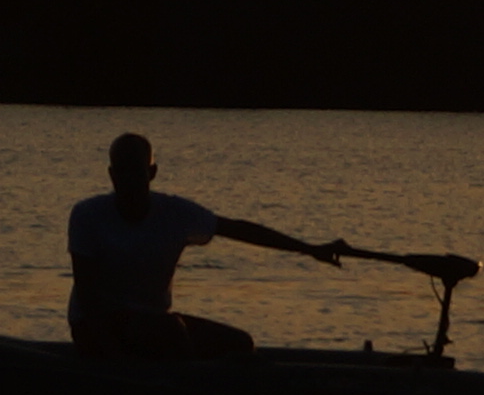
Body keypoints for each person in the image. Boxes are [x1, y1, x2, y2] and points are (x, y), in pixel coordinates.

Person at [66, 131, 344, 357]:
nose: (128, 181)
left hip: (154, 324)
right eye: (121, 172)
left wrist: (311, 249)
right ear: (111, 174)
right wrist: (115, 360)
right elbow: (90, 301)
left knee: (240, 344)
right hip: (95, 328)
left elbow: (240, 230)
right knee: (172, 331)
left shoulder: (175, 213)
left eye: (136, 171)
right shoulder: (87, 215)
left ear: (152, 173)